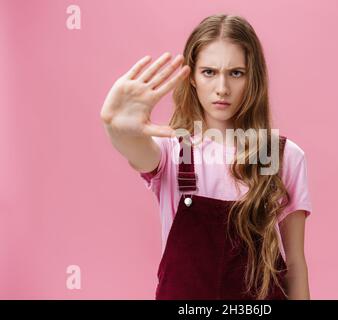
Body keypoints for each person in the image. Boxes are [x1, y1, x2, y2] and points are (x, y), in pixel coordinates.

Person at [100, 14, 313, 300]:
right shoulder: (173, 150)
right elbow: (133, 147)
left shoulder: (278, 155)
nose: (222, 87)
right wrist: (116, 126)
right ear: (191, 78)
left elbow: (295, 265)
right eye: (209, 72)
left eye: (236, 72)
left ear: (254, 78)